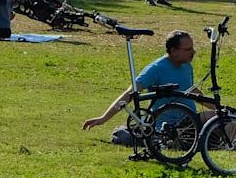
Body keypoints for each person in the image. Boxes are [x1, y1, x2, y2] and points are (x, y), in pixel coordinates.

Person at [82, 30, 211, 131]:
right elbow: (130, 93)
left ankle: (215, 144)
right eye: (188, 49)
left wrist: (221, 109)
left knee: (225, 118)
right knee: (214, 119)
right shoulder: (156, 68)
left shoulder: (186, 65)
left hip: (190, 120)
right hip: (169, 126)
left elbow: (190, 90)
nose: (193, 52)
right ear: (173, 51)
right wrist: (104, 118)